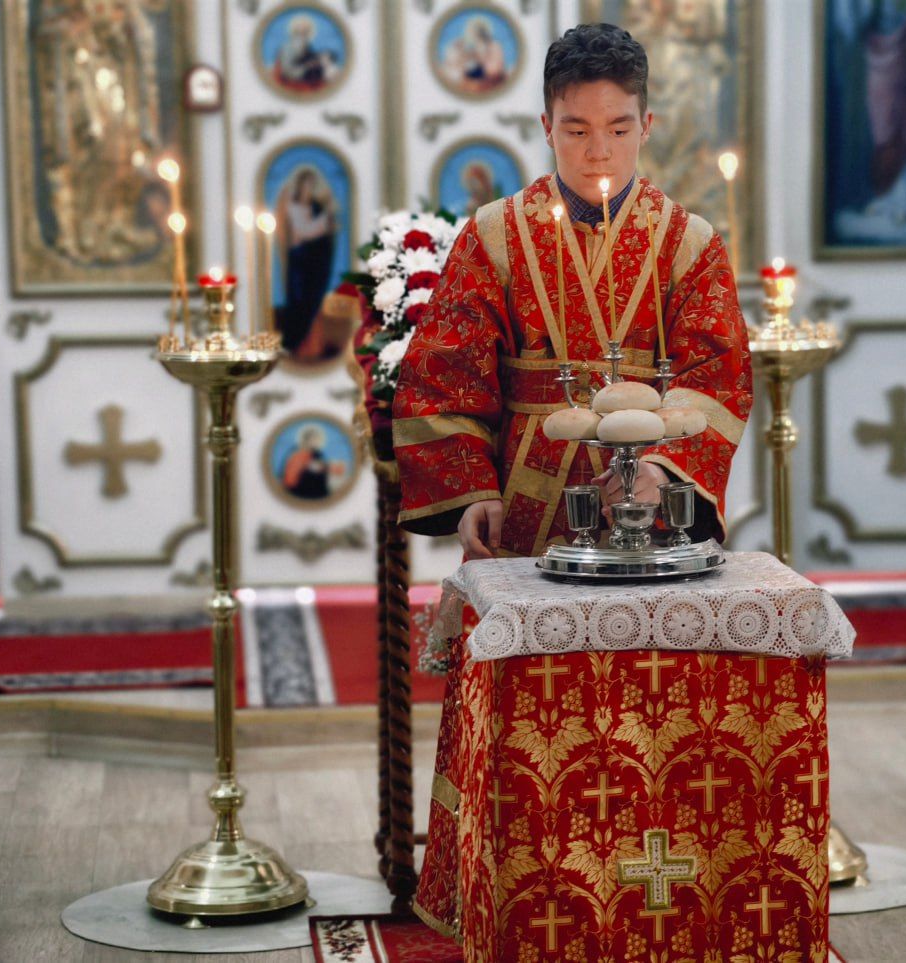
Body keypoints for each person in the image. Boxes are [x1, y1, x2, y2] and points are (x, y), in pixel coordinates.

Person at [387, 22, 752, 942]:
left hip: (649, 523)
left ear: (647, 124)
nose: (599, 152)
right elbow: (445, 376)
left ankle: (648, 892)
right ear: (545, 126)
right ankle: (510, 893)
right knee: (527, 722)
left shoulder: (688, 243)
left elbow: (716, 374)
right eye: (578, 130)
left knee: (646, 713)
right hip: (525, 513)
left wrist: (661, 472)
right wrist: (472, 490)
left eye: (619, 130)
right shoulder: (495, 237)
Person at [276, 168, 337, 356]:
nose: (308, 189)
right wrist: (324, 220)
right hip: (299, 262)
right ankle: (293, 343)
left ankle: (309, 346)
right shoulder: (292, 207)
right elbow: (304, 231)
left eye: (312, 185)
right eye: (306, 184)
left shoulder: (316, 207)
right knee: (299, 302)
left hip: (314, 262)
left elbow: (323, 234)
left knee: (313, 302)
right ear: (300, 185)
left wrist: (326, 219)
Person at [280, 424, 343, 500]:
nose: (317, 442)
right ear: (306, 440)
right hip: (298, 488)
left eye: (318, 439)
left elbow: (320, 466)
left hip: (312, 488)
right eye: (314, 439)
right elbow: (310, 468)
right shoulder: (296, 452)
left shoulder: (316, 453)